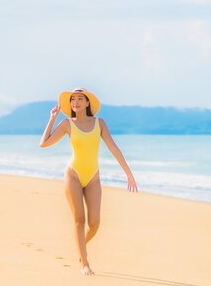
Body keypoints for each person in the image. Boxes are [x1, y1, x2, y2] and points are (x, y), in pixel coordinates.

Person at [39, 87, 138, 276]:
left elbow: (114, 148)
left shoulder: (100, 123)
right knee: (79, 220)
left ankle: (80, 248)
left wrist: (129, 174)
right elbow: (43, 143)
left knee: (95, 223)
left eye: (79, 99)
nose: (75, 102)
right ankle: (85, 263)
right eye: (72, 99)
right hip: (73, 175)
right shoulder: (68, 124)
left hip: (93, 177)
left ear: (87, 103)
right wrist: (52, 118)